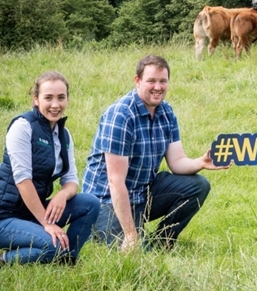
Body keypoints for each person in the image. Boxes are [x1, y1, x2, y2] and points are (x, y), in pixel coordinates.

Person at [82, 54, 230, 252]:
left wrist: (201, 162)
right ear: (138, 81)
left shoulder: (166, 112)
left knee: (198, 185)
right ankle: (113, 232)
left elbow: (176, 161)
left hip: (143, 193)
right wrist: (130, 234)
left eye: (163, 81)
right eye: (151, 81)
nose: (158, 87)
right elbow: (115, 181)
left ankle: (162, 243)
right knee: (137, 256)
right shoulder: (121, 116)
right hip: (107, 201)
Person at [0, 72, 100, 265]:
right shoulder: (22, 126)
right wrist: (47, 224)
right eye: (48, 98)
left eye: (61, 98)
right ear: (36, 99)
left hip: (31, 212)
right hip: (5, 215)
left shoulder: (64, 135)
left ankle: (66, 260)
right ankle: (5, 259)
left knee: (90, 203)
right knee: (52, 245)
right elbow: (22, 181)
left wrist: (62, 195)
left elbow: (71, 180)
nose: (55, 105)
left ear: (67, 100)